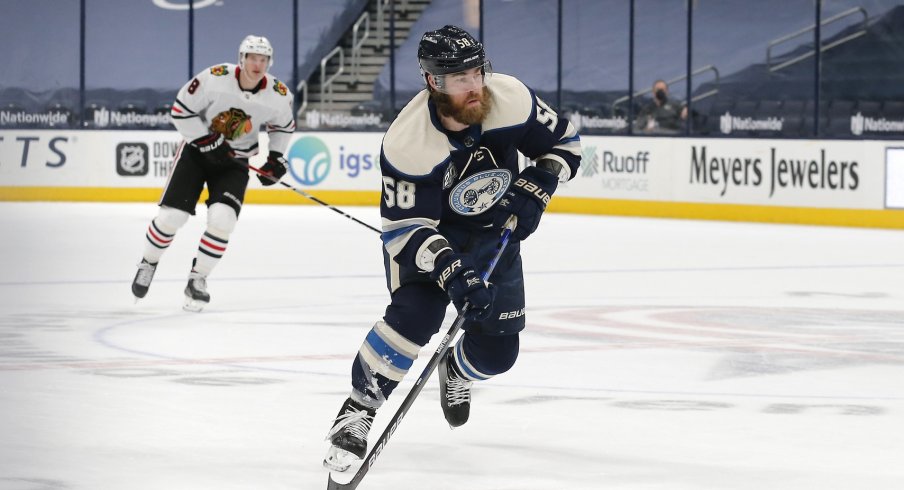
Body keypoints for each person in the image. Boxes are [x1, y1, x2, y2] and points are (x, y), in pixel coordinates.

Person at [323, 25, 582, 472]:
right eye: (461, 77)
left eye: (478, 71)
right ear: (433, 82)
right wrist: (449, 269)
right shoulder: (408, 142)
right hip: (429, 240)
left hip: (494, 233)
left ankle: (457, 370)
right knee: (414, 318)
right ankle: (358, 412)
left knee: (499, 356)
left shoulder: (512, 98)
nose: (475, 84)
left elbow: (565, 141)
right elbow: (404, 230)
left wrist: (541, 181)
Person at [130, 35, 295, 311]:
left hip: (236, 161)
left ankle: (198, 280)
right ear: (241, 59)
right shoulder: (215, 77)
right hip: (197, 153)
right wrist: (206, 141)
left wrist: (276, 159)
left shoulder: (278, 95)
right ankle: (148, 262)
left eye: (263, 59)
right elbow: (180, 110)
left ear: (270, 63)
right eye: (252, 58)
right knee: (172, 217)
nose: (258, 64)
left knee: (223, 219)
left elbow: (283, 127)